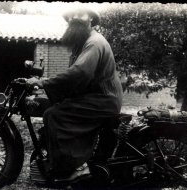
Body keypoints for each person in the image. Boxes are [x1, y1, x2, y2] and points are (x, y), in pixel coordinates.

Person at [26, 7, 123, 181]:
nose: (74, 18)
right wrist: (49, 86)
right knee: (52, 108)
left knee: (54, 115)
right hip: (97, 98)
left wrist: (43, 82)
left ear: (91, 20)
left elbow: (80, 73)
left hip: (104, 100)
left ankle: (77, 167)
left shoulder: (94, 42)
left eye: (80, 15)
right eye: (71, 16)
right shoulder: (83, 44)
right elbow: (77, 78)